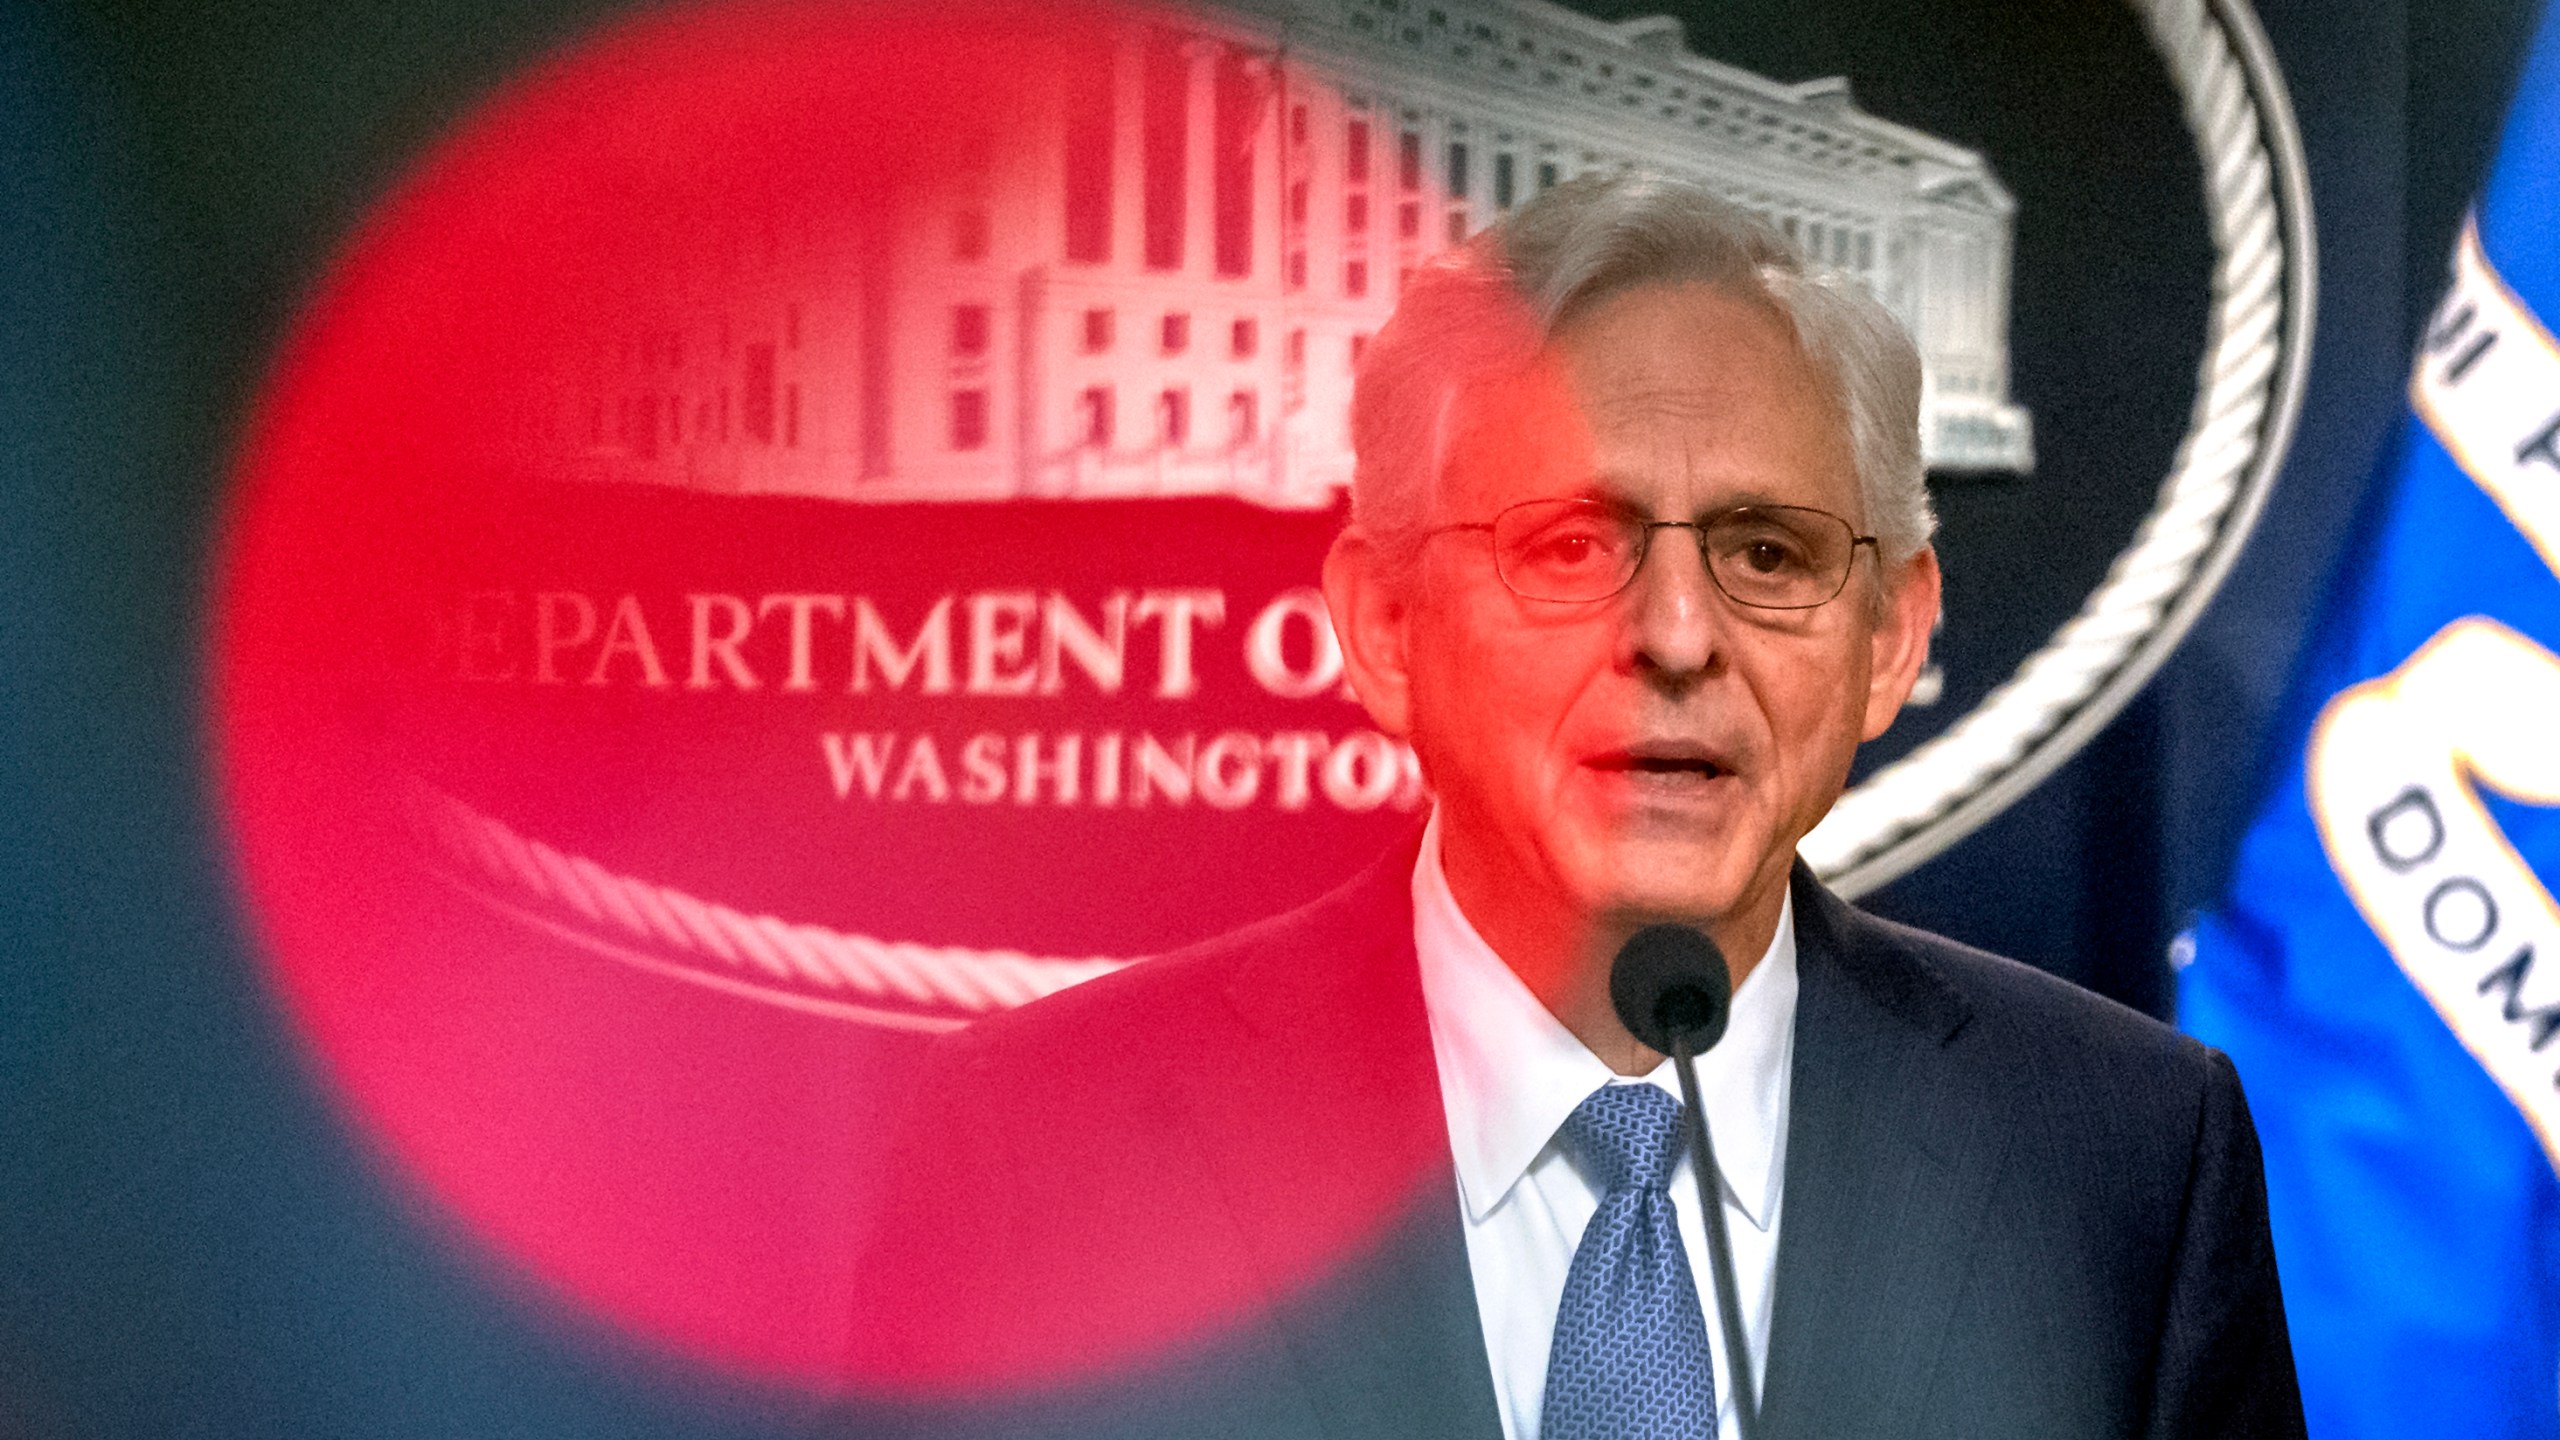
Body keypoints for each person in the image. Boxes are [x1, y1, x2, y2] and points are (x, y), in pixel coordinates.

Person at [839, 173, 2304, 1440]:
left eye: (1771, 553)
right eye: (1567, 545)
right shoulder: (1040, 1157)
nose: (1677, 633)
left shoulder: (2123, 1164)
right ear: (1388, 622)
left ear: (1892, 638)